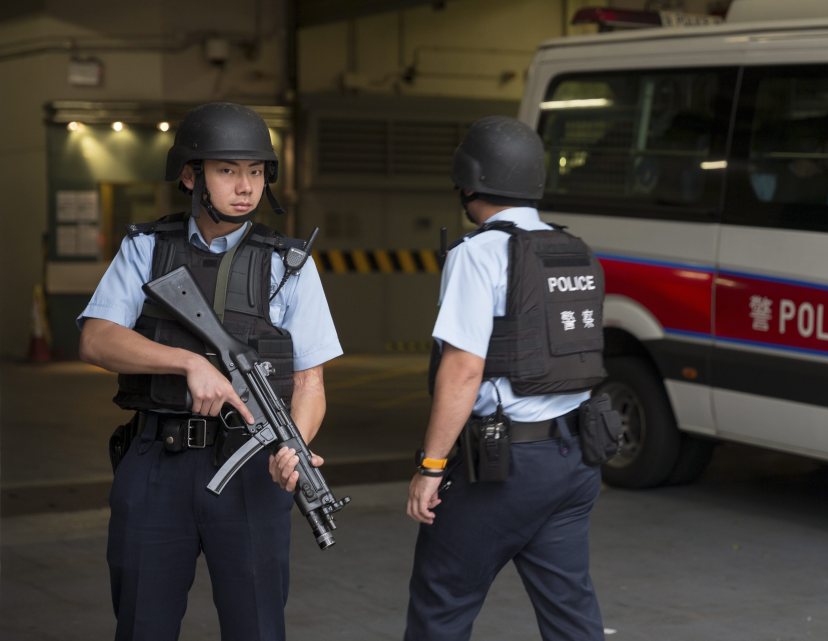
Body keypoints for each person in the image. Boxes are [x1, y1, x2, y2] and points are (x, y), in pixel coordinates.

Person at [77, 102, 342, 641]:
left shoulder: (290, 264)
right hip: (157, 463)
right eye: (227, 170)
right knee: (141, 624)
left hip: (252, 470)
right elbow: (96, 339)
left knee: (257, 627)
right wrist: (188, 362)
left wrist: (296, 447)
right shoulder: (145, 249)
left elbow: (312, 382)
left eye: (255, 171)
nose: (244, 186)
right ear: (190, 175)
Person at [405, 116, 609, 641]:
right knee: (570, 613)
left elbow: (463, 368)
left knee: (441, 605)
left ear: (469, 181)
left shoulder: (478, 253)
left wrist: (430, 467)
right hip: (575, 459)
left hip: (502, 470)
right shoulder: (575, 251)